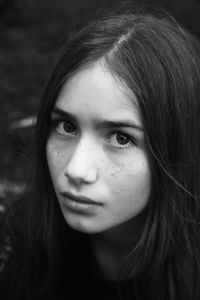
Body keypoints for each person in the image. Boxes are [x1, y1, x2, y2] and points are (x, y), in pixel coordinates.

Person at [1, 6, 200, 300]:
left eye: (121, 138)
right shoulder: (28, 228)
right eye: (66, 126)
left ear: (179, 148)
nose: (76, 170)